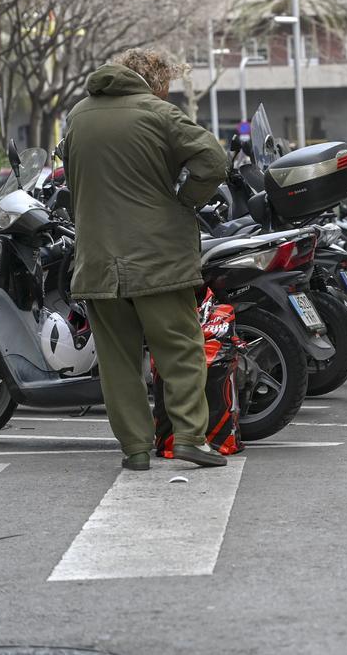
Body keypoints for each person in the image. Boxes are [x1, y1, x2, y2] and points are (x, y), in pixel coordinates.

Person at [63, 48, 229, 470]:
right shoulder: (158, 113)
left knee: (118, 362)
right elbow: (213, 159)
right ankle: (190, 438)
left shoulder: (78, 116)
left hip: (97, 259)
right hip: (157, 258)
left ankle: (135, 449)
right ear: (156, 81)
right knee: (180, 350)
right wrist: (186, 199)